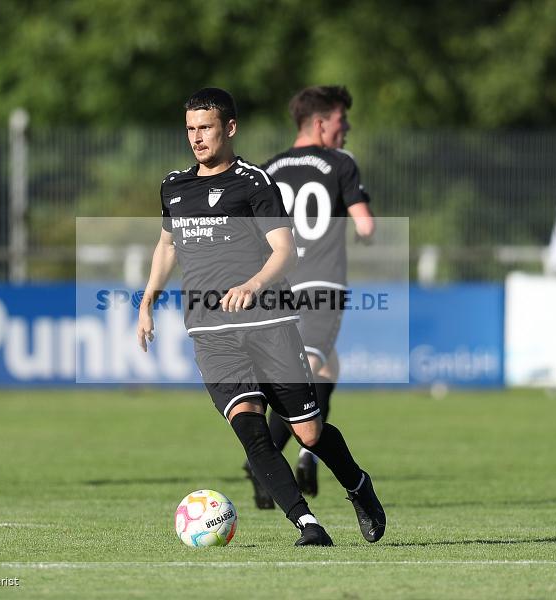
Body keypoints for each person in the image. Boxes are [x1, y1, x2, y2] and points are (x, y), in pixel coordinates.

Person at [136, 87, 385, 545]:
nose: (196, 137)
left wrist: (251, 286)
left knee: (309, 434)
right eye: (190, 129)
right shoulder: (174, 186)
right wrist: (148, 300)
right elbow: (167, 244)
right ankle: (308, 525)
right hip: (211, 334)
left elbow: (285, 252)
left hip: (269, 326)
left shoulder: (254, 183)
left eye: (205, 127)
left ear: (229, 128)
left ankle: (357, 485)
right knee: (251, 430)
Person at [246, 86, 375, 508]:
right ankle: (268, 454)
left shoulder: (266, 170)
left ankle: (299, 452)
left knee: (324, 366)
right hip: (321, 283)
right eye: (342, 121)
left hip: (277, 283)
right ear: (320, 124)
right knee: (309, 368)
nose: (347, 128)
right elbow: (367, 227)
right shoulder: (340, 163)